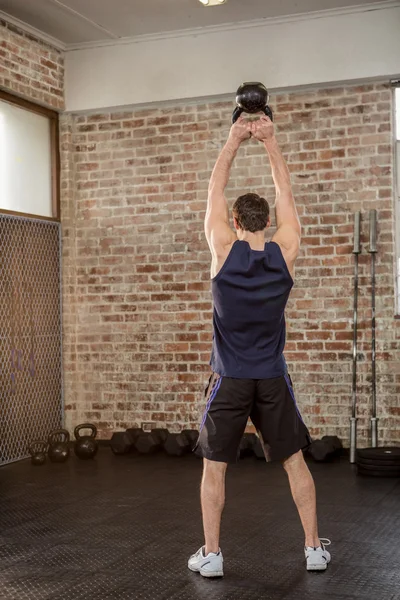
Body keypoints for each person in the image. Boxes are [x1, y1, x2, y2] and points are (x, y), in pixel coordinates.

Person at [188, 116, 331, 578]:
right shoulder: (284, 250)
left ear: (234, 221)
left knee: (215, 468)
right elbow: (286, 193)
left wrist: (233, 140)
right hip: (271, 377)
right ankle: (312, 548)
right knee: (294, 462)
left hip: (229, 377)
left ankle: (211, 555)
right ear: (268, 222)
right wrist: (271, 143)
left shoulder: (221, 249)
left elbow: (215, 188)